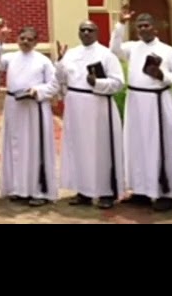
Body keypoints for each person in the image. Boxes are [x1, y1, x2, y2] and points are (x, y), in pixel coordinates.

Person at [109, 5, 172, 211]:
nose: (143, 29)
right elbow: (114, 49)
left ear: (155, 29)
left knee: (161, 147)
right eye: (139, 26)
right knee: (137, 146)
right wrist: (120, 24)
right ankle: (141, 190)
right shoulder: (133, 48)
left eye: (146, 26)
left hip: (158, 102)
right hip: (135, 102)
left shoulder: (168, 51)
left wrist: (163, 76)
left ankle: (165, 193)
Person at [55, 21, 125, 209]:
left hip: (98, 106)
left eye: (90, 30)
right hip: (75, 107)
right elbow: (60, 79)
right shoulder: (71, 54)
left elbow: (118, 83)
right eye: (82, 30)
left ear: (97, 32)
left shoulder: (106, 55)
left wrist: (97, 83)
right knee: (78, 149)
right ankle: (83, 191)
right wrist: (60, 62)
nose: (86, 33)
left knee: (100, 150)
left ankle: (106, 192)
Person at [0, 23, 60, 206]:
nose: (26, 42)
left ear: (36, 42)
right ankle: (18, 188)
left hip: (34, 109)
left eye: (30, 39)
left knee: (34, 148)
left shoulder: (43, 61)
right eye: (23, 38)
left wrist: (37, 90)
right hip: (14, 106)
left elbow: (54, 85)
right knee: (16, 147)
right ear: (17, 39)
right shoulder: (11, 57)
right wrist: (0, 42)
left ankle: (38, 191)